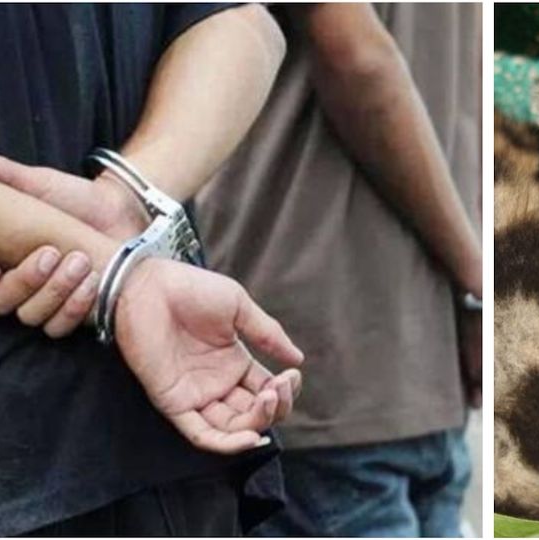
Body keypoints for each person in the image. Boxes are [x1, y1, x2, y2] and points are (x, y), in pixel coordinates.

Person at [0, 4, 304, 535]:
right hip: (159, 413)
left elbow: (247, 24)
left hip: (134, 416)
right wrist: (122, 248)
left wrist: (121, 214)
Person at [195, 4, 482, 536]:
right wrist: (475, 284)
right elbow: (354, 56)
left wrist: (476, 284)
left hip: (334, 337)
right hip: (354, 352)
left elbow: (360, 56)